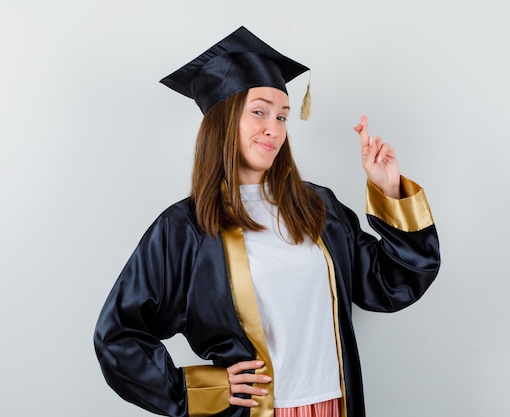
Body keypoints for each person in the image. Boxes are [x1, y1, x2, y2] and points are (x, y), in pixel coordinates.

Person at [94, 26, 440, 417]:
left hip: (333, 405)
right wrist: (201, 387)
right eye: (258, 111)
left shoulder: (316, 207)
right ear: (223, 120)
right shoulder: (186, 228)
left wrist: (389, 188)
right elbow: (117, 334)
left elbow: (390, 282)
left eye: (282, 116)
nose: (273, 129)